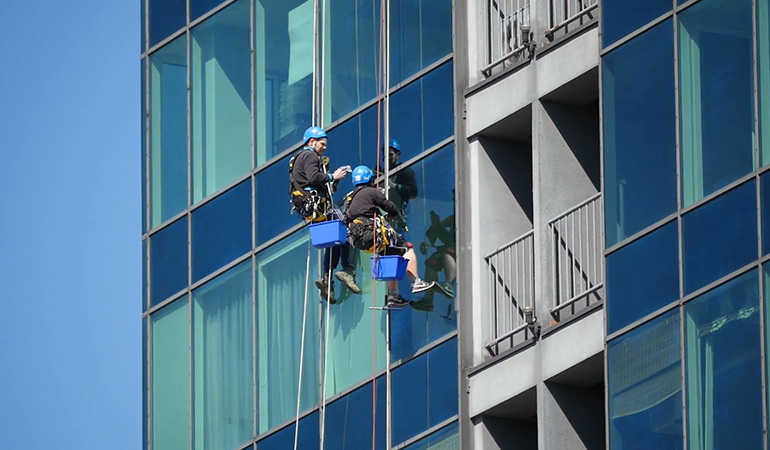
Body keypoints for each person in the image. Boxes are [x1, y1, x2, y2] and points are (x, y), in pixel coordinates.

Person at [343, 165, 435, 307]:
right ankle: (416, 282)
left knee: (391, 254)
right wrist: (390, 216)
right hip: (372, 233)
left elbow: (346, 219)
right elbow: (390, 207)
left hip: (360, 240)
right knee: (406, 248)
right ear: (369, 179)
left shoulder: (349, 198)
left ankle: (393, 295)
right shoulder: (371, 192)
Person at [289, 126, 359, 303]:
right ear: (311, 142)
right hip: (316, 204)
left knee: (334, 239)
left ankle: (327, 279)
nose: (324, 147)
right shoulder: (310, 155)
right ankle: (347, 270)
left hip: (310, 207)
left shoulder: (300, 158)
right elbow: (313, 177)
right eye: (322, 143)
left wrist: (332, 181)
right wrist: (331, 176)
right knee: (346, 229)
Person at [411, 210, 456, 312]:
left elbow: (443, 227)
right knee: (431, 262)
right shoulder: (455, 217)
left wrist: (437, 225)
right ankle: (428, 300)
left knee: (447, 253)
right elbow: (443, 232)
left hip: (461, 247)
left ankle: (449, 285)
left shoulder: (459, 217)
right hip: (451, 244)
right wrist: (436, 227)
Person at [377, 139, 417, 232]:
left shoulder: (405, 172)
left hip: (397, 215)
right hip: (384, 215)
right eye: (385, 155)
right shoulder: (381, 174)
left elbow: (413, 191)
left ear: (397, 155)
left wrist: (395, 186)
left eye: (390, 155)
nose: (387, 158)